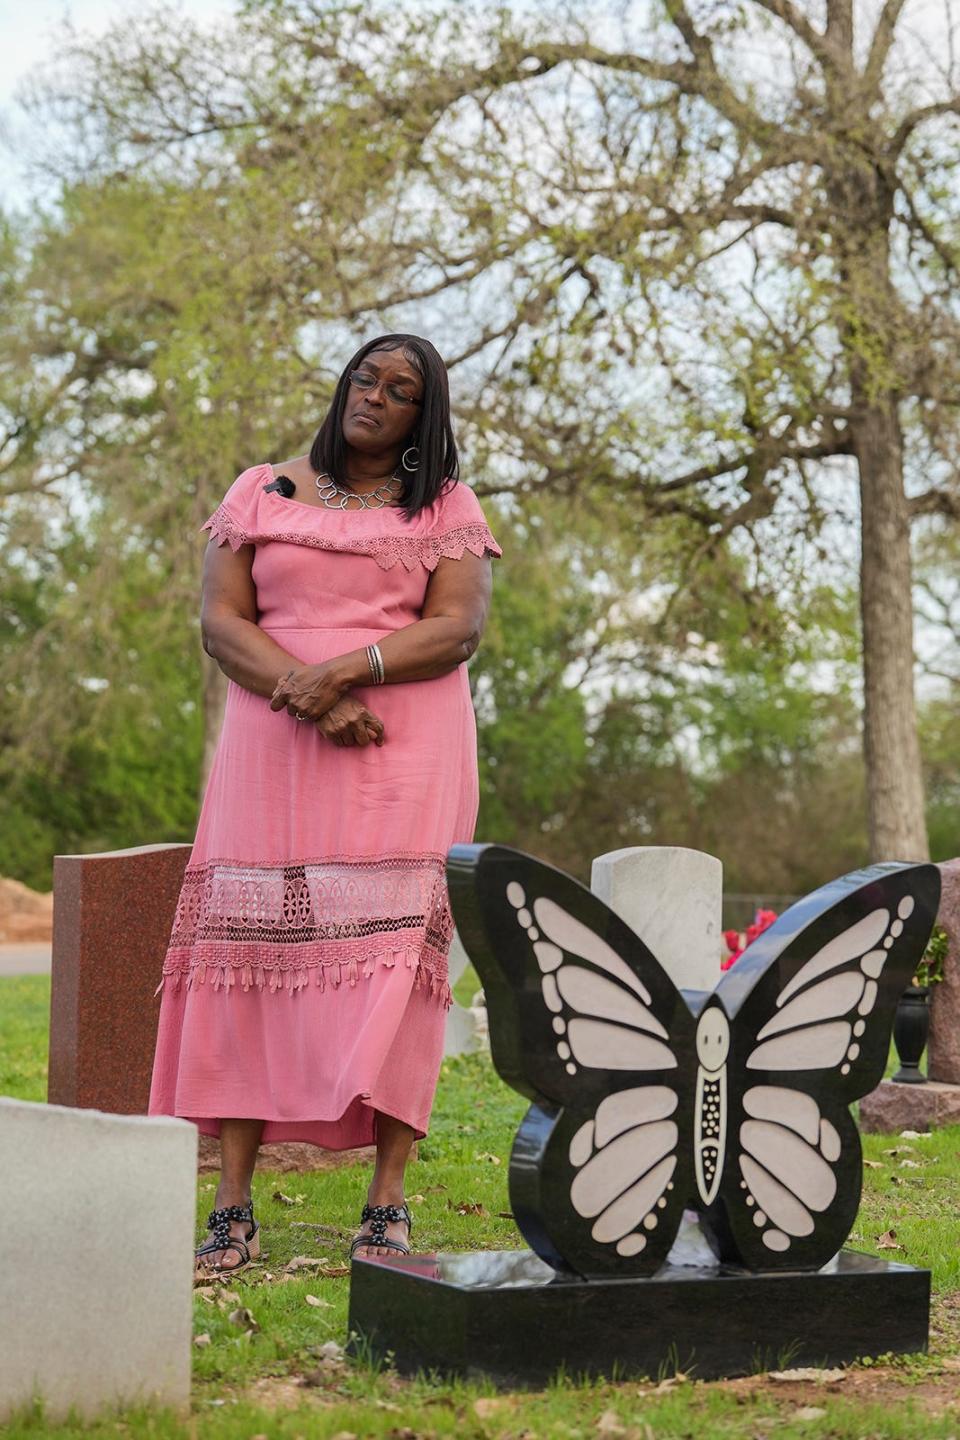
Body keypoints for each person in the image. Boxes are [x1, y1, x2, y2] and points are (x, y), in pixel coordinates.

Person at [148, 333, 500, 1269]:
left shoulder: (446, 508)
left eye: (400, 390)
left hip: (404, 753)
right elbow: (223, 621)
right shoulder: (261, 489)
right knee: (247, 958)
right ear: (343, 387)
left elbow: (457, 626)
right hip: (273, 749)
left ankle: (387, 1198)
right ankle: (231, 1196)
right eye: (365, 378)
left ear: (423, 417)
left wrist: (344, 674)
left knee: (394, 966)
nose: (375, 397)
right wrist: (303, 693)